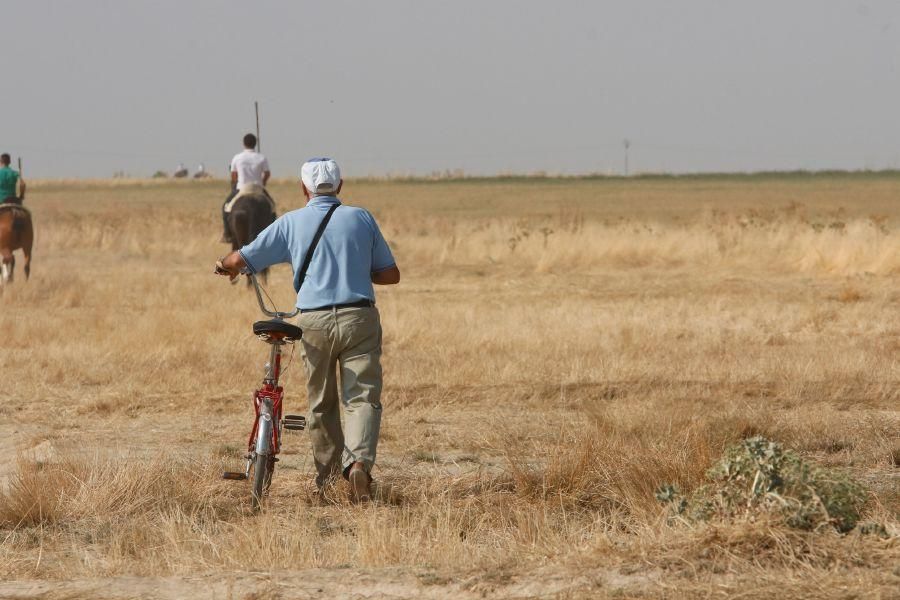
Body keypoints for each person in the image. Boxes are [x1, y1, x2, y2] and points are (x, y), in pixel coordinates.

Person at [215, 157, 400, 503]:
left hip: (313, 321)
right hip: (359, 317)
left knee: (321, 404)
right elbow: (391, 274)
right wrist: (356, 270)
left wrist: (225, 265)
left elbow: (242, 259)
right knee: (362, 398)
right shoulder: (361, 217)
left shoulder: (290, 222)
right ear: (340, 186)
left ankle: (328, 483)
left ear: (304, 189)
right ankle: (358, 465)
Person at [221, 133, 271, 242]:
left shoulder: (237, 157)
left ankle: (227, 233)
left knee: (225, 207)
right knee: (272, 208)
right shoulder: (261, 157)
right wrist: (262, 183)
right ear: (255, 144)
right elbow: (267, 173)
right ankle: (272, 233)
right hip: (258, 189)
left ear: (244, 144)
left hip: (242, 189)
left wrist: (236, 182)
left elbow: (233, 175)